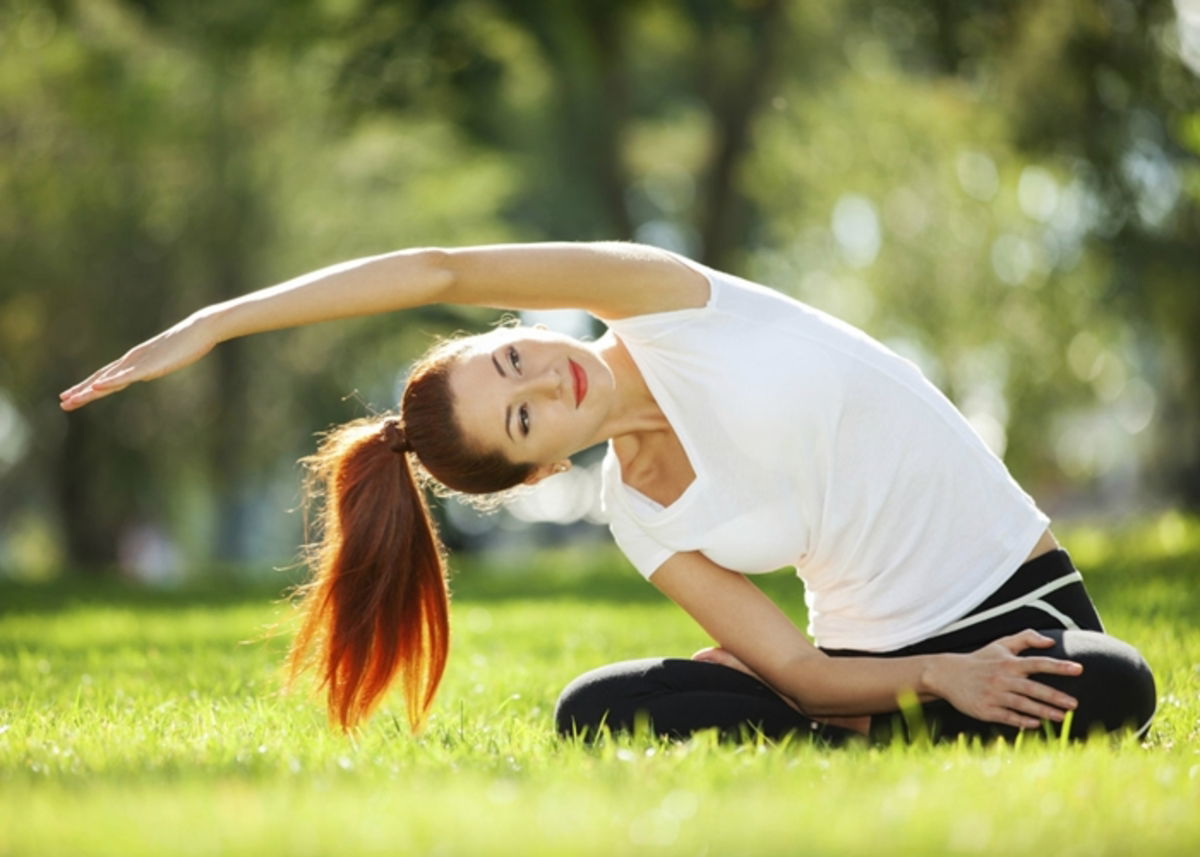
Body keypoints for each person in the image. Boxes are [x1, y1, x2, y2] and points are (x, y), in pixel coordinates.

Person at [60, 242, 1156, 742]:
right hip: (884, 667)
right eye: (526, 417)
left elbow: (438, 267)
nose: (544, 378)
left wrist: (213, 325)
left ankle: (872, 723)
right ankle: (886, 719)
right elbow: (796, 664)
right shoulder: (642, 516)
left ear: (512, 330)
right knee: (594, 711)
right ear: (542, 470)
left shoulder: (664, 299)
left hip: (1015, 605)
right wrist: (924, 678)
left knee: (1118, 682)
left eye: (510, 363)